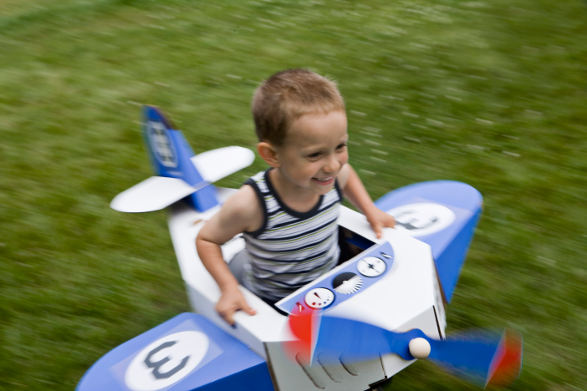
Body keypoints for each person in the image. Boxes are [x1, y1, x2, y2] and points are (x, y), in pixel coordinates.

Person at [196, 69, 395, 325]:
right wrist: (228, 287)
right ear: (272, 155)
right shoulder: (252, 204)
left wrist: (370, 209)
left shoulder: (331, 176)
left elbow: (347, 174)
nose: (333, 165)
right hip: (275, 301)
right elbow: (206, 239)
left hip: (328, 283)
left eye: (340, 147)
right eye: (315, 155)